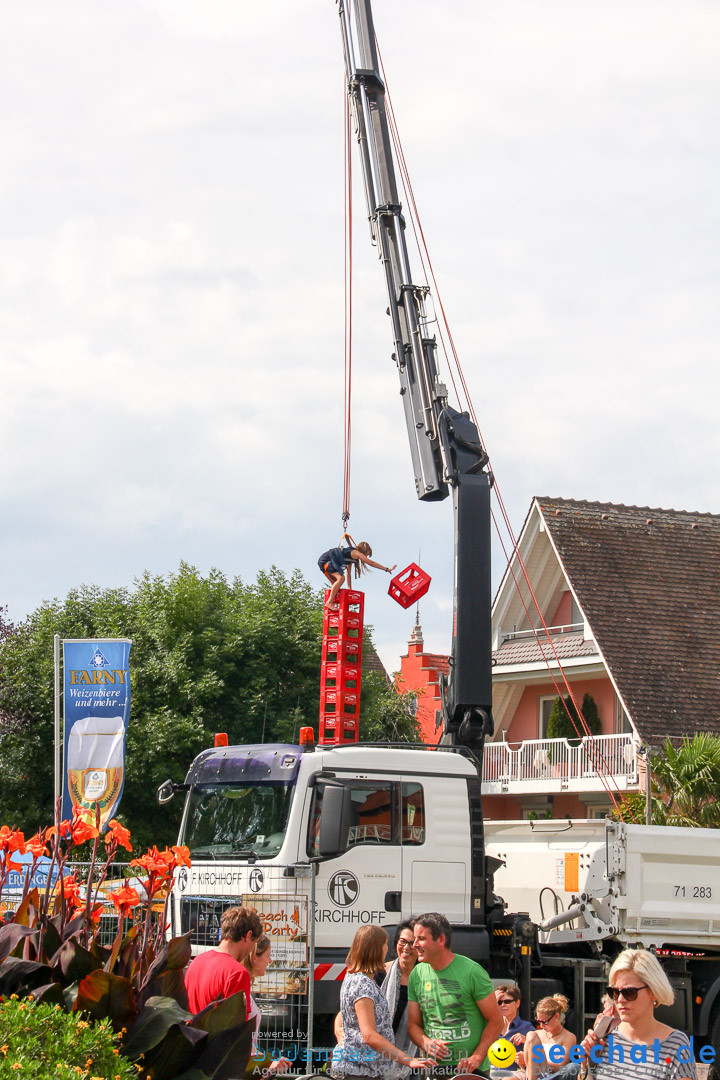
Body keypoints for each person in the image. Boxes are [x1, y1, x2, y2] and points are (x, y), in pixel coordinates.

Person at [331, 924, 434, 1079]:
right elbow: (369, 1035)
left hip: (366, 1068)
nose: (387, 949)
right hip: (360, 1069)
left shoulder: (355, 978)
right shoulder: (363, 984)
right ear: (377, 949)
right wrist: (408, 1060)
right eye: (385, 944)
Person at [407, 912, 503, 1078]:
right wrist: (426, 1043)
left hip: (470, 1072)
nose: (414, 945)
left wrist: (477, 1057)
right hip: (433, 1070)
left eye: (421, 938)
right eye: (414, 938)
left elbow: (496, 1021)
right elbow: (413, 1024)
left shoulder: (472, 972)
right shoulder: (417, 974)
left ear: (441, 940)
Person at [579, 949, 696, 1080]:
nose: (620, 1000)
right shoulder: (604, 1036)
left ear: (653, 992)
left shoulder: (675, 1046)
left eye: (629, 992)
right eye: (615, 992)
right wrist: (586, 1066)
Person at [185, 905, 262, 1015]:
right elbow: (238, 1024)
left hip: (190, 1031)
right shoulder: (238, 973)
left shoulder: (196, 962)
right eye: (254, 944)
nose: (250, 950)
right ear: (248, 936)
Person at [242, 934, 291, 1075]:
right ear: (254, 957)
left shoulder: (245, 987)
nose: (270, 960)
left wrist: (266, 1062)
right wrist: (267, 1063)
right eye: (268, 955)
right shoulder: (241, 988)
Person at [318, 536, 397, 610]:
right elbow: (371, 563)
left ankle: (332, 603)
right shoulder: (356, 553)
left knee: (337, 584)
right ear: (364, 551)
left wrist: (349, 588)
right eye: (367, 554)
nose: (366, 557)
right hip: (327, 561)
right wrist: (386, 569)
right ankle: (329, 602)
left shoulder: (351, 557)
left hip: (325, 561)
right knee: (341, 579)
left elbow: (348, 573)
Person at [520, 995, 576, 1080]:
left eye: (544, 1022)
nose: (541, 1025)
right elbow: (526, 1067)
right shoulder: (536, 1034)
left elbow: (559, 1067)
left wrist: (532, 1061)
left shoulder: (569, 1037)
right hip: (529, 1074)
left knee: (531, 1036)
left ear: (556, 1017)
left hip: (552, 1076)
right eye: (538, 1021)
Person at [489, 985, 535, 1077]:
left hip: (516, 1074)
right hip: (492, 1072)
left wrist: (526, 1044)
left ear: (517, 1003)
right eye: (499, 1002)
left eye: (507, 1001)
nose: (503, 1005)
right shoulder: (490, 1027)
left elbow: (541, 1055)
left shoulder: (526, 1028)